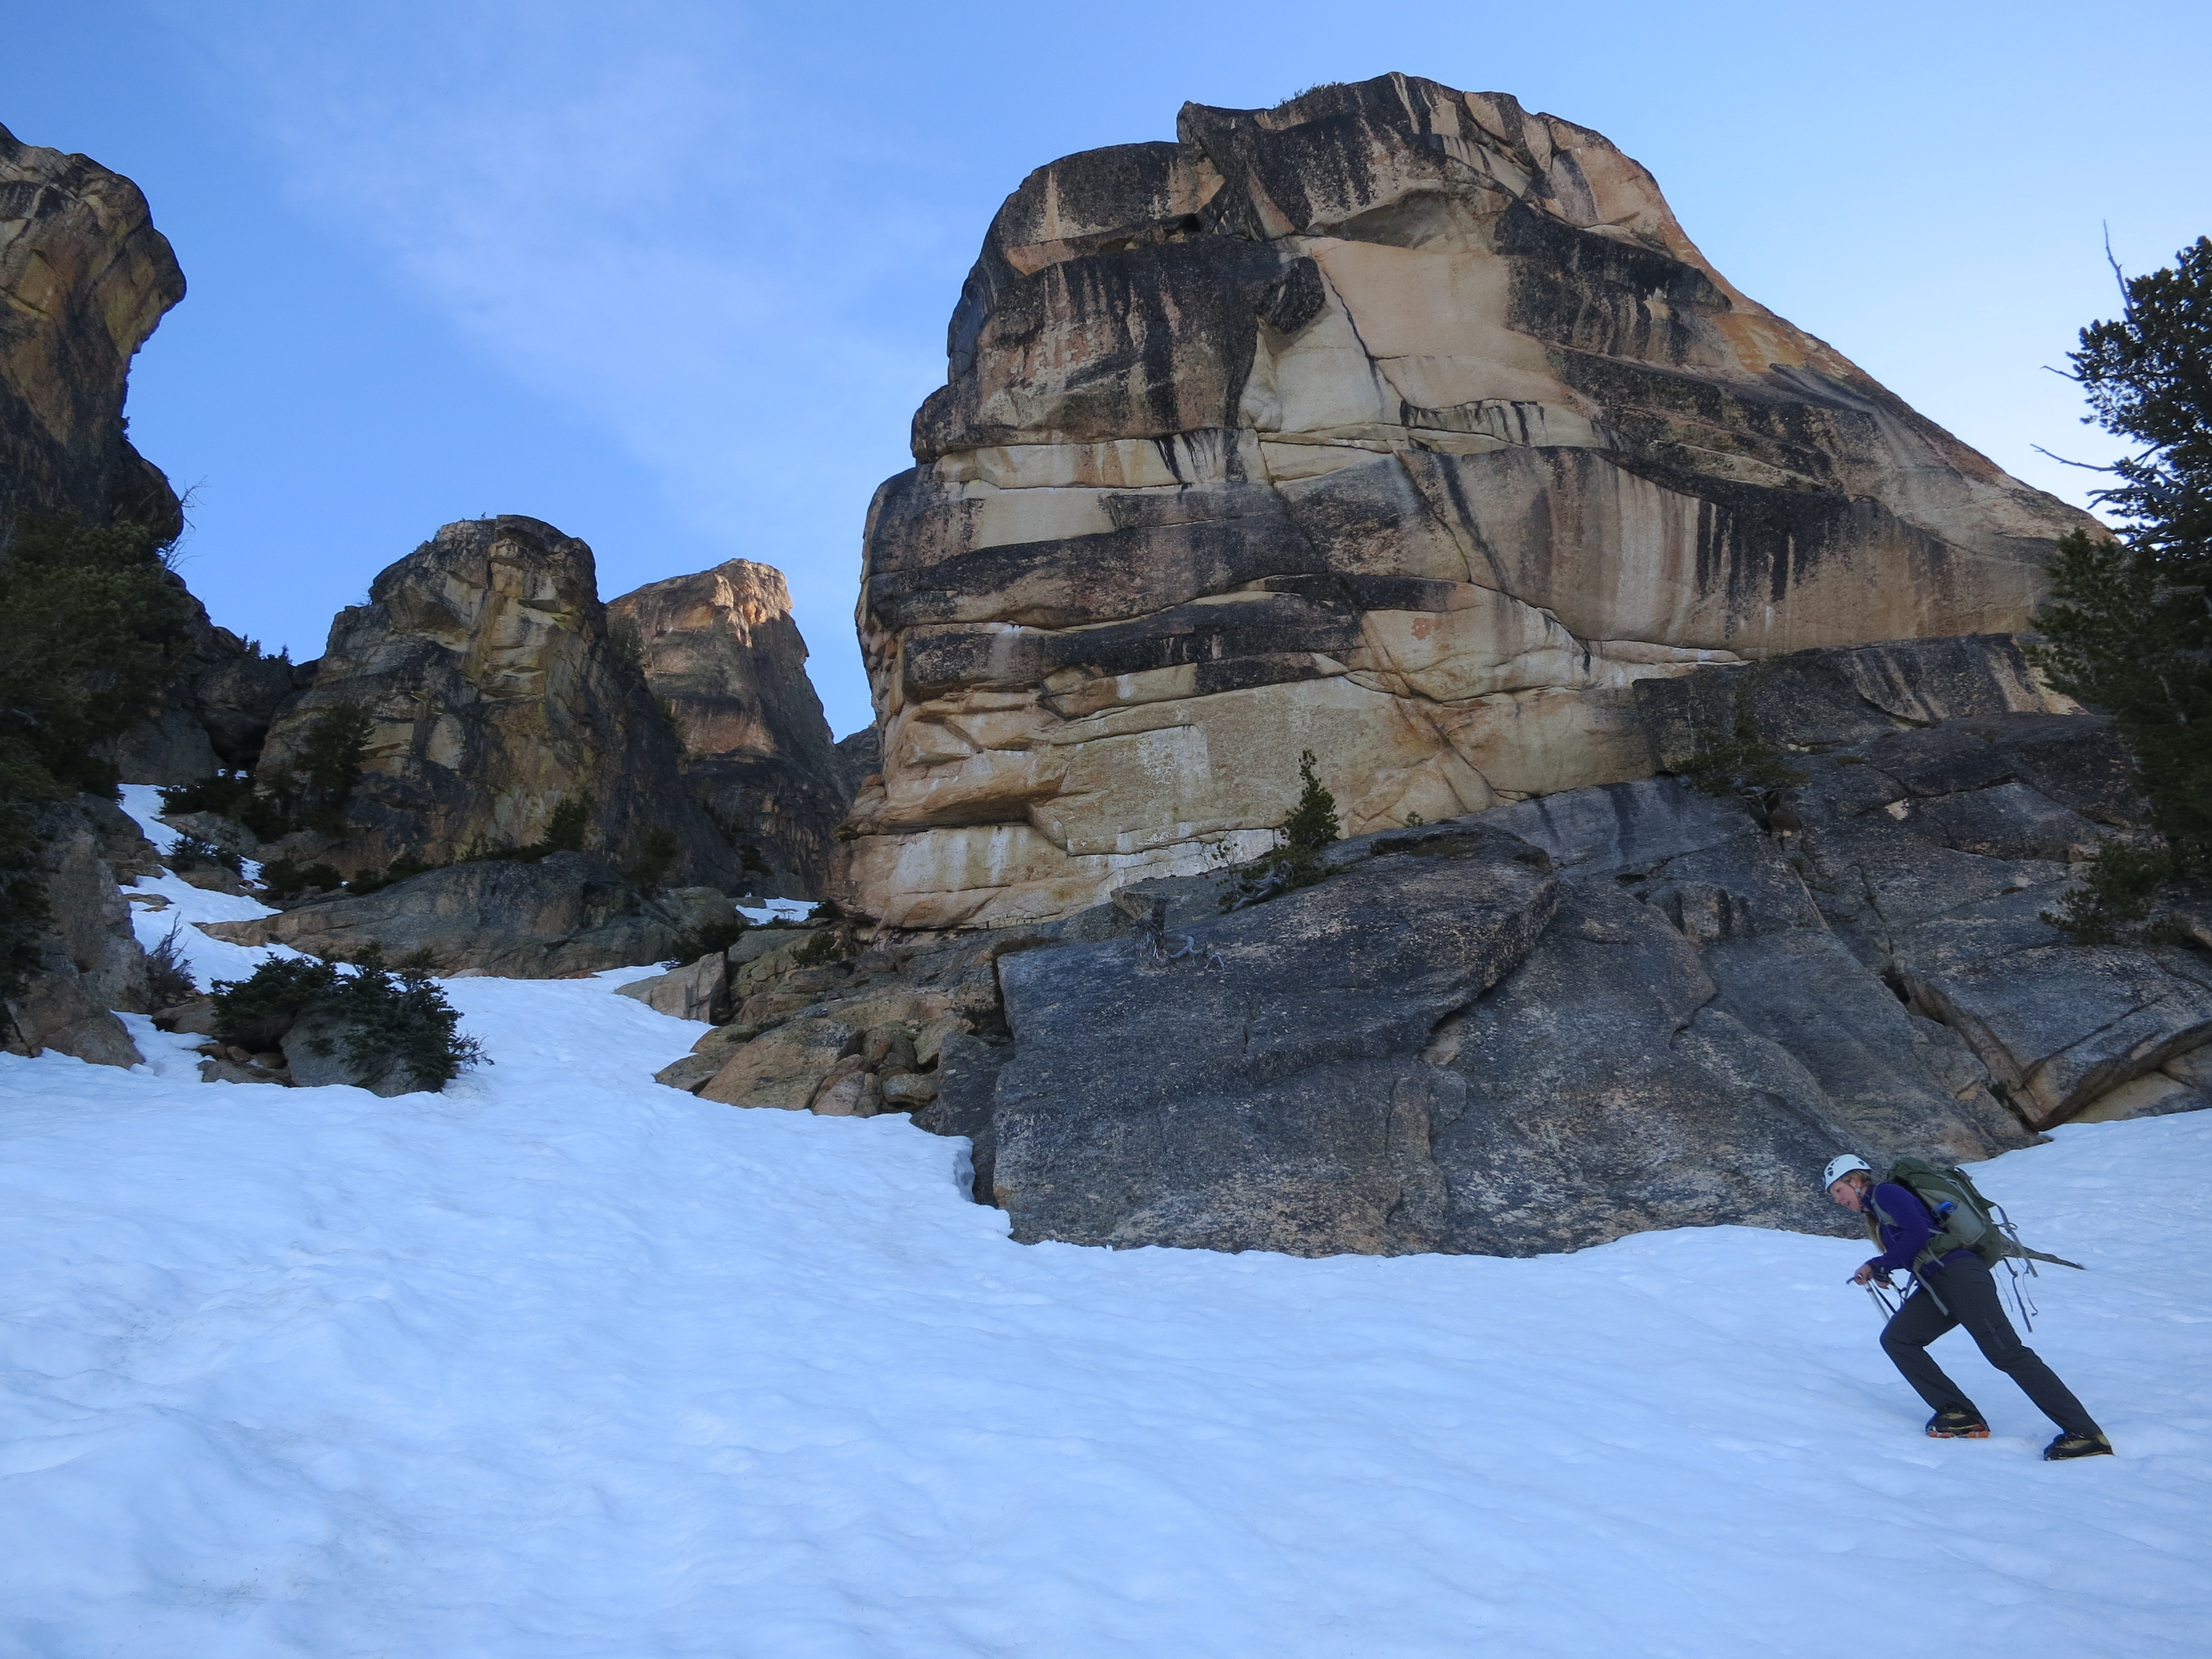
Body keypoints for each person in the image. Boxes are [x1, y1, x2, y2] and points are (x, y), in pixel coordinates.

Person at [1822, 1154, 2112, 1461]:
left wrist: (1877, 1263)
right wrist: (1884, 1268)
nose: (1838, 1200)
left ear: (1857, 1181)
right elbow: (1917, 1242)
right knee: (1899, 1339)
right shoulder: (1879, 1214)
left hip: (1959, 1277)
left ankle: (2086, 1434)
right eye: (1834, 1195)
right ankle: (1959, 1413)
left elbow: (1919, 1233)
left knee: (2007, 1353)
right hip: (1939, 1284)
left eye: (1838, 1190)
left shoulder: (1886, 1193)